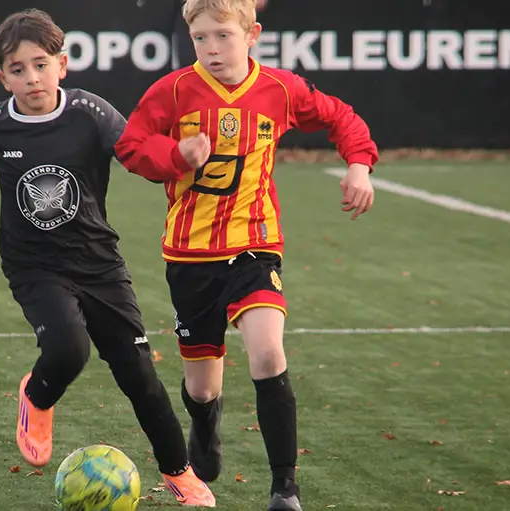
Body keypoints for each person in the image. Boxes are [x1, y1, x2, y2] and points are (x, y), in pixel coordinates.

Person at [114, 0, 379, 509]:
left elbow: (340, 117)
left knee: (267, 353)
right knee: (202, 387)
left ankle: (285, 487)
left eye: (223, 37)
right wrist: (175, 156)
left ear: (252, 33)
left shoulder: (280, 89)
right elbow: (130, 147)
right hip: (190, 256)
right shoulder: (172, 91)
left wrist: (360, 165)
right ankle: (206, 424)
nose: (212, 49)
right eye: (201, 39)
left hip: (254, 246)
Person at [0, 8, 216, 507]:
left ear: (62, 64)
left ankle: (180, 472)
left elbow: (138, 154)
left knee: (139, 374)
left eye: (41, 64)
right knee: (70, 349)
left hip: (99, 262)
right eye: (18, 69)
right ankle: (37, 396)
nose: (32, 78)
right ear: (1, 76)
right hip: (33, 266)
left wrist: (177, 158)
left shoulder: (91, 113)